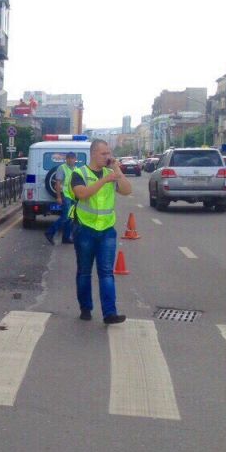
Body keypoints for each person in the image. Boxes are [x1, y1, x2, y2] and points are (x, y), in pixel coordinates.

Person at [69, 138, 132, 324]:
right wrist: (105, 180)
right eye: (104, 154)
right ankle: (86, 308)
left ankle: (110, 313)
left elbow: (127, 190)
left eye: (109, 153)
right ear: (93, 153)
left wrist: (117, 171)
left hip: (106, 231)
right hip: (85, 229)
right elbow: (82, 194)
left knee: (106, 272)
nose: (108, 157)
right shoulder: (79, 173)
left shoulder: (111, 173)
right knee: (84, 272)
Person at [44, 151, 77, 245]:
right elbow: (57, 183)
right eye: (69, 158)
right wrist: (58, 197)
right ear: (66, 159)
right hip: (65, 195)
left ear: (75, 159)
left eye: (72, 158)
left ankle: (66, 238)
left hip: (73, 196)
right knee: (65, 217)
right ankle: (50, 232)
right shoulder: (62, 168)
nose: (70, 160)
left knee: (70, 217)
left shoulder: (76, 169)